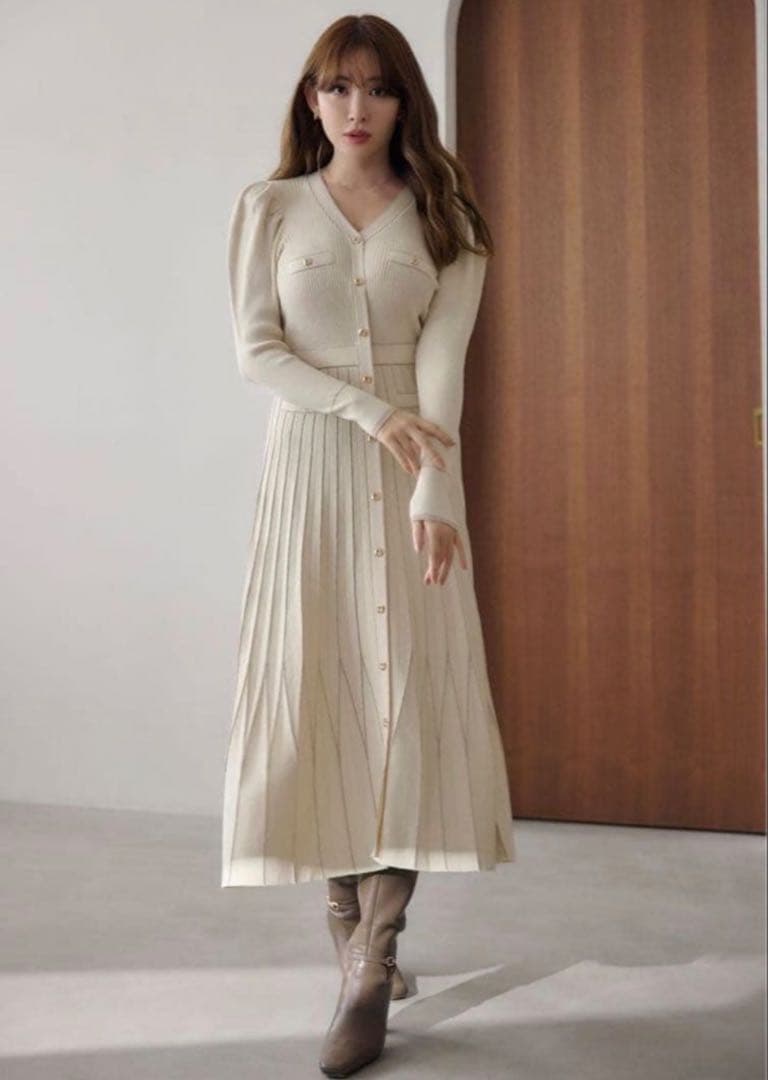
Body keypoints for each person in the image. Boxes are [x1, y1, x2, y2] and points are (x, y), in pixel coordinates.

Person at [221, 13, 517, 1077]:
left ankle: (373, 960)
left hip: (411, 471)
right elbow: (258, 352)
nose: (357, 107)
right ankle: (350, 938)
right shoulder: (270, 207)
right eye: (337, 87)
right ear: (311, 99)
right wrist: (364, 410)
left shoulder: (447, 215)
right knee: (323, 690)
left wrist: (438, 489)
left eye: (378, 88)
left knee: (410, 697)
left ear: (405, 102)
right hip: (310, 467)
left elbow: (444, 367)